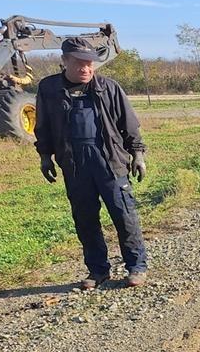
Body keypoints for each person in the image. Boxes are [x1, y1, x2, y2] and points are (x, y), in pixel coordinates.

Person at [34, 36, 149, 288]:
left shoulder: (109, 88)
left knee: (124, 215)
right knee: (85, 219)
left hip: (110, 163)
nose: (86, 68)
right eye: (79, 63)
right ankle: (98, 271)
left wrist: (138, 154)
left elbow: (129, 125)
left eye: (90, 63)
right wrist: (45, 156)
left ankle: (136, 267)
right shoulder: (49, 89)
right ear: (64, 61)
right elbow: (42, 125)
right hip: (75, 165)